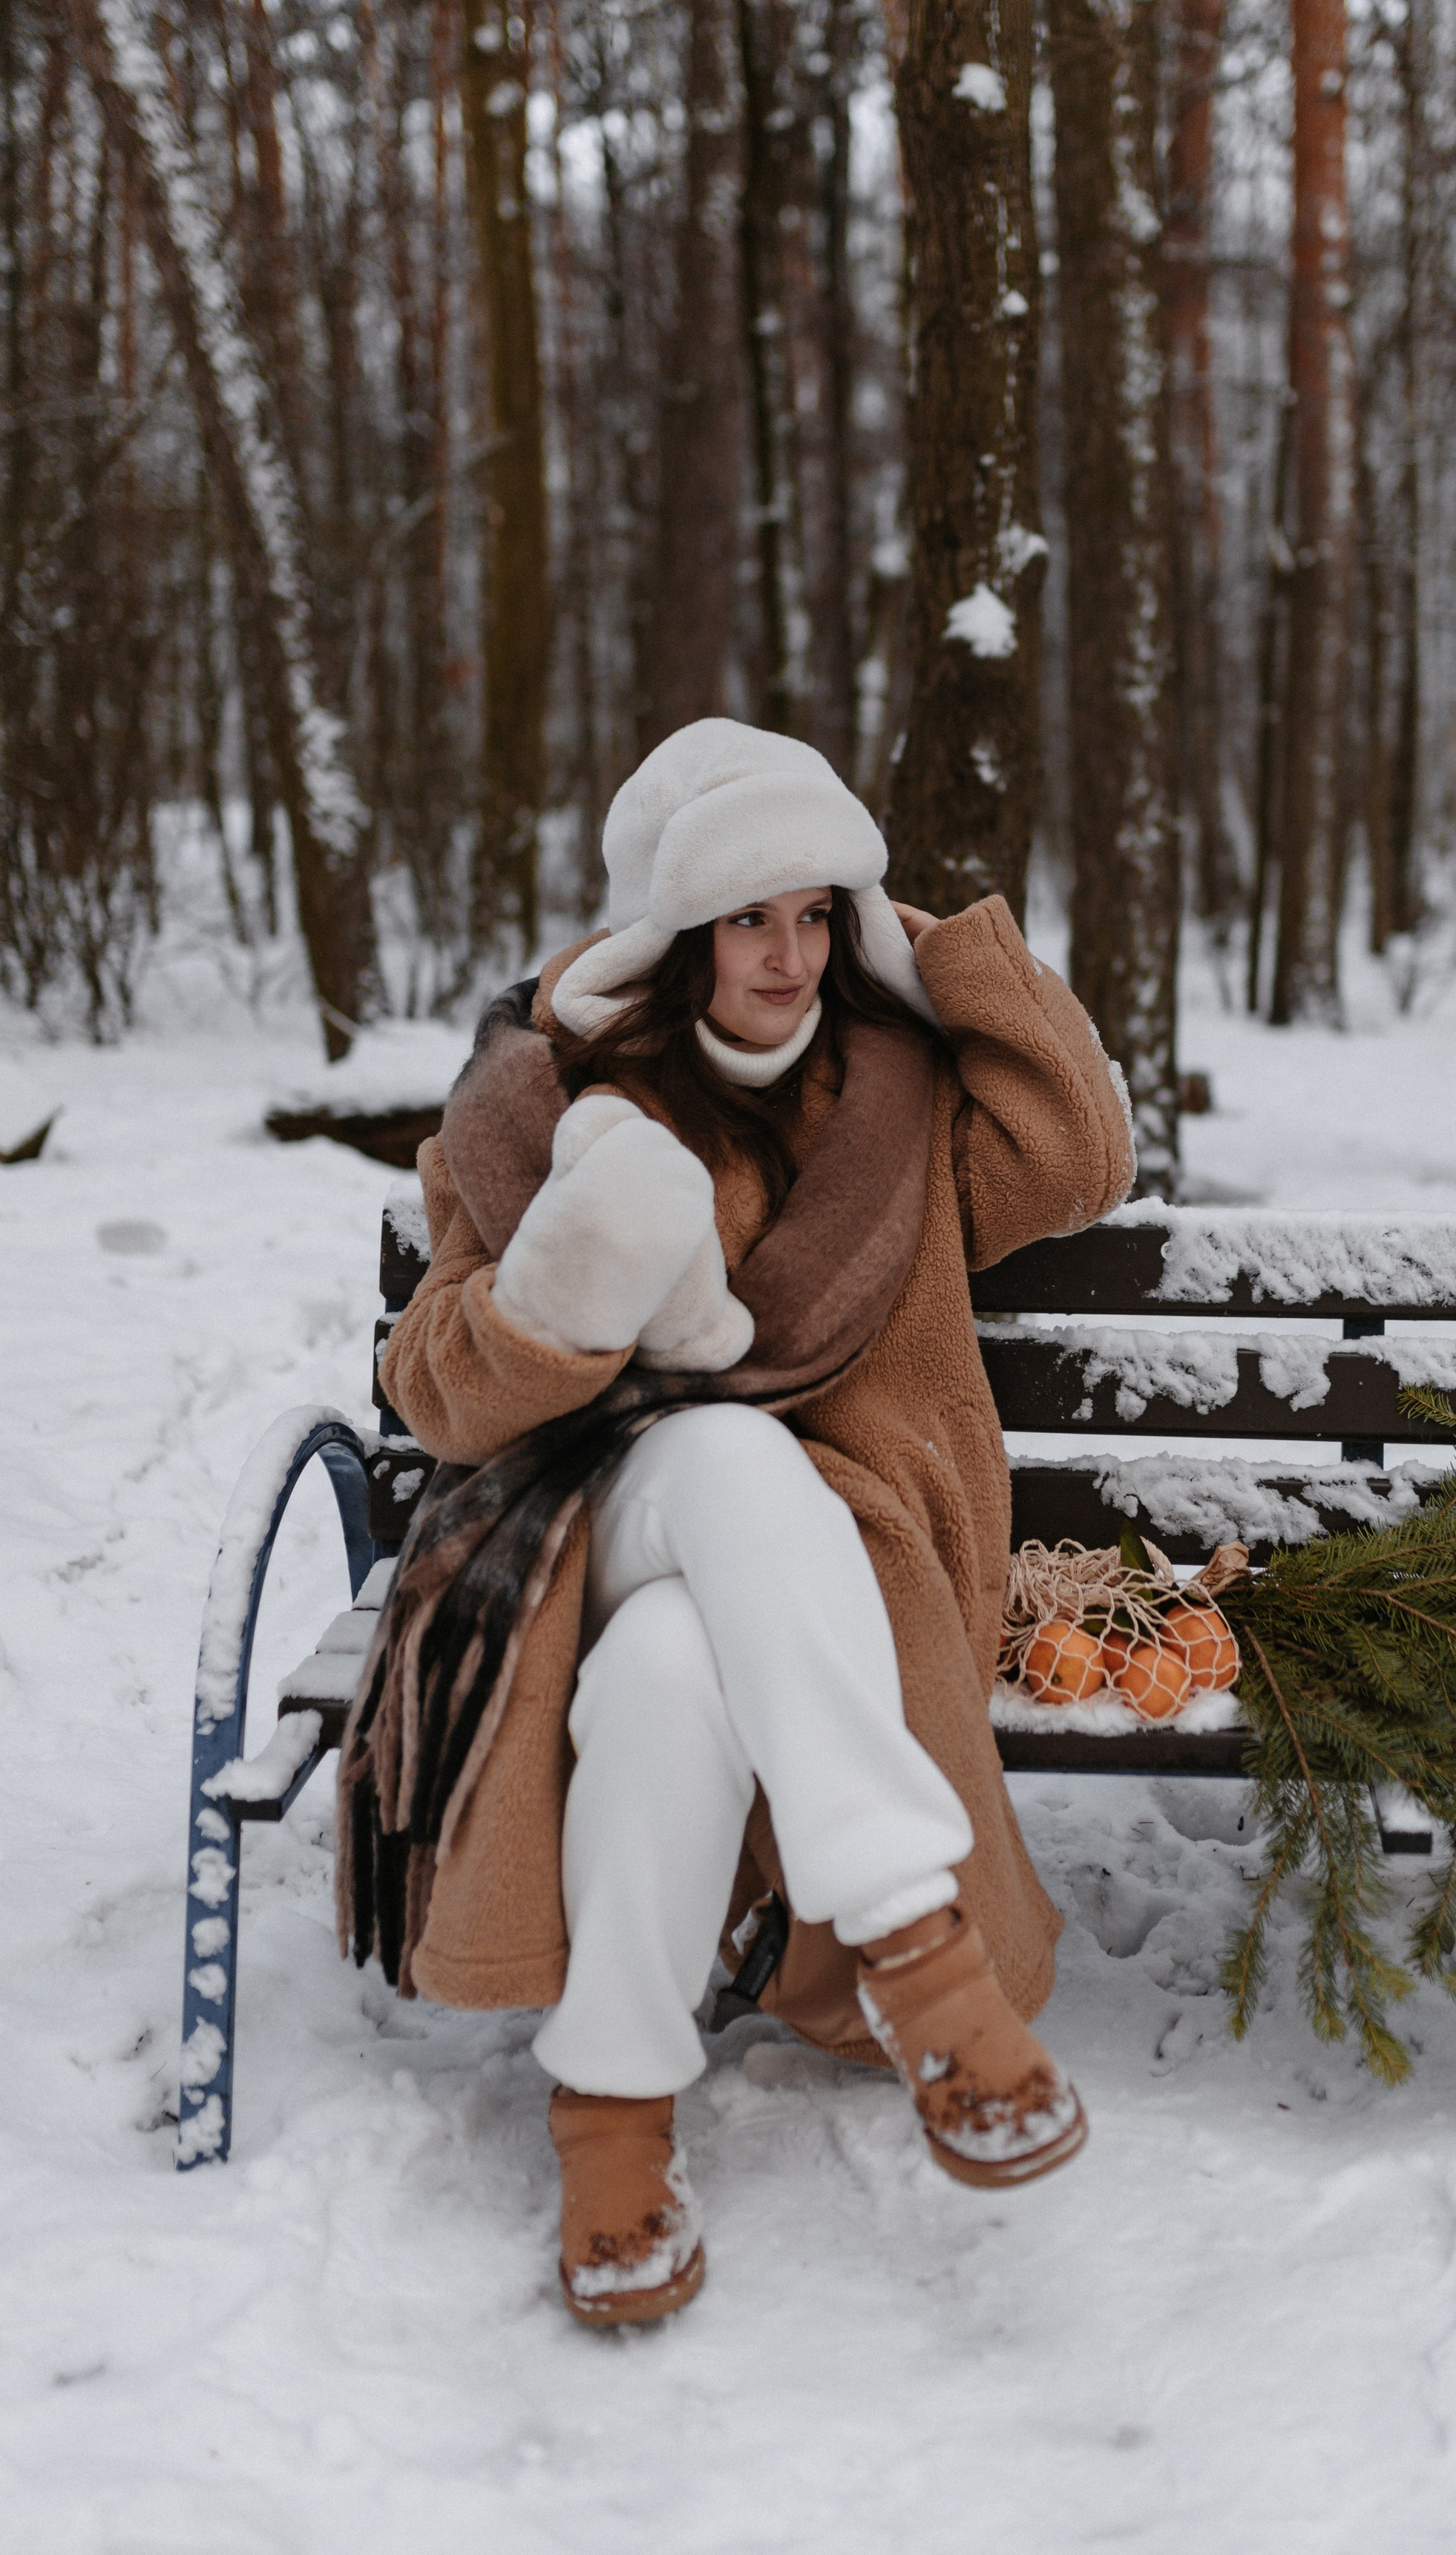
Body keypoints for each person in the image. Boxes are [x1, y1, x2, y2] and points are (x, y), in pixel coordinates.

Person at [358, 719, 1134, 2327]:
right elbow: (430, 1383)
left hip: (822, 1566)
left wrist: (924, 947)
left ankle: (612, 2112)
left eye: (812, 912)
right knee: (719, 1464)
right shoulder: (540, 1110)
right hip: (597, 1507)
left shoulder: (899, 1102)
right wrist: (556, 1302)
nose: (787, 956)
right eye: (744, 917)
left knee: (667, 1670)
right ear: (675, 935)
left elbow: (1078, 1151)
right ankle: (920, 1953)